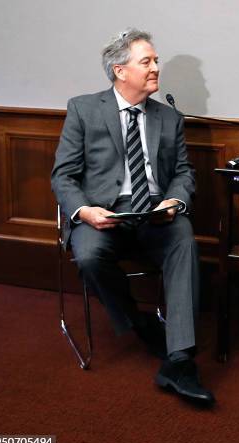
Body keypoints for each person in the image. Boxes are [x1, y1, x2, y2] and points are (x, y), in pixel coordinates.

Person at [51, 29, 214, 406]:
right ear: (120, 70)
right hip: (102, 213)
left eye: (156, 60)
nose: (157, 67)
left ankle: (180, 360)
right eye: (148, 62)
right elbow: (63, 175)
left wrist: (173, 201)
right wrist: (84, 211)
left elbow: (184, 173)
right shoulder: (83, 108)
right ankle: (138, 322)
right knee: (90, 256)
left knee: (183, 239)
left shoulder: (169, 117)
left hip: (154, 212)